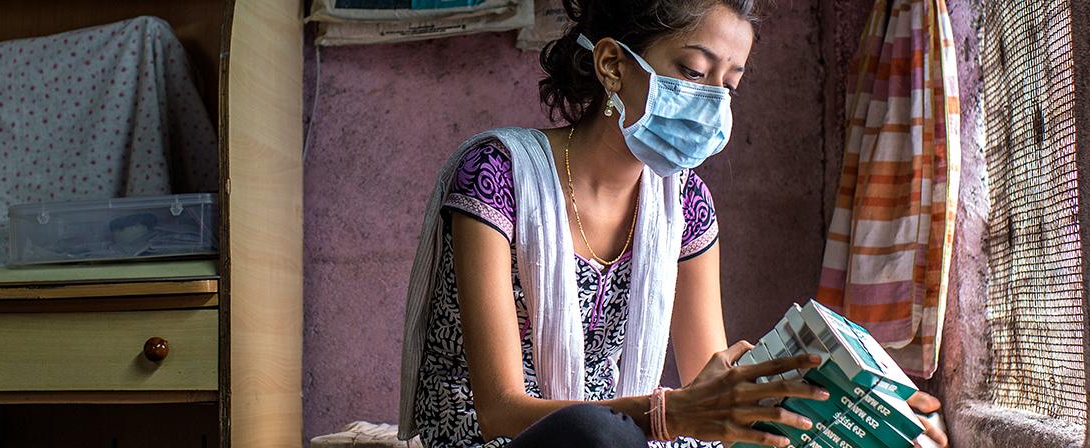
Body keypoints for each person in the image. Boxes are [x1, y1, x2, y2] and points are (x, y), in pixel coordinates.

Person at [398, 1, 950, 446]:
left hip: (627, 430)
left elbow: (708, 382)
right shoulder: (497, 175)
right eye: (692, 71)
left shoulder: (686, 206)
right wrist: (668, 415)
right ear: (613, 65)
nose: (712, 102)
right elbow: (499, 410)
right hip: (511, 438)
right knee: (590, 435)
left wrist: (854, 408)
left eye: (729, 84)